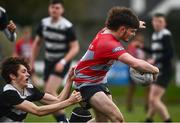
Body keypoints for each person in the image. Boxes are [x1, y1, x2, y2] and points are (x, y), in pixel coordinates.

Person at [73, 7, 159, 122]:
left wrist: (134, 24)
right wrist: (155, 69)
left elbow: (117, 20)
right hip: (86, 83)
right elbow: (135, 63)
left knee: (102, 121)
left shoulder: (108, 30)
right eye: (132, 31)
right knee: (117, 119)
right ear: (123, 29)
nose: (133, 34)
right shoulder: (109, 43)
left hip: (97, 81)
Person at [31, 0, 79, 121]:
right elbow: (37, 43)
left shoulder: (67, 26)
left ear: (62, 10)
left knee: (49, 91)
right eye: (53, 8)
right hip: (48, 61)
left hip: (61, 62)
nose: (54, 10)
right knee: (49, 96)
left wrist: (63, 61)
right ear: (49, 9)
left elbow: (75, 47)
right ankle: (62, 119)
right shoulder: (44, 23)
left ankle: (63, 120)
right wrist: (31, 62)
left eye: (57, 8)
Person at [0, 57, 82, 122]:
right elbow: (38, 111)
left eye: (27, 72)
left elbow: (58, 100)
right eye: (23, 72)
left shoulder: (29, 89)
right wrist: (70, 101)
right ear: (12, 76)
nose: (28, 74)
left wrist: (69, 80)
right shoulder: (8, 93)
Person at [145, 13, 174, 123]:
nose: (157, 23)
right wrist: (142, 47)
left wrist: (155, 60)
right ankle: (148, 120)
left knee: (153, 99)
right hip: (158, 70)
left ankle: (168, 120)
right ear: (152, 22)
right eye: (155, 21)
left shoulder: (165, 34)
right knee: (152, 99)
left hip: (165, 70)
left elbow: (169, 54)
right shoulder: (155, 35)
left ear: (165, 23)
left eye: (160, 21)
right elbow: (155, 52)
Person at [126, 32, 149, 112]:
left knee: (147, 86)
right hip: (133, 68)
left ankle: (147, 105)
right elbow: (130, 56)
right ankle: (129, 106)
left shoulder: (142, 46)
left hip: (142, 68)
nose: (141, 40)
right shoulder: (132, 45)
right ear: (136, 38)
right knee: (132, 88)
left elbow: (144, 56)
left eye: (141, 39)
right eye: (139, 38)